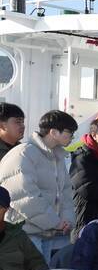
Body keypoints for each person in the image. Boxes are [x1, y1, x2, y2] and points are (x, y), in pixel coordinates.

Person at [0, 109, 77, 260]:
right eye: (69, 132)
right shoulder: (24, 154)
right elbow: (25, 197)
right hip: (25, 232)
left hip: (49, 232)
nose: (72, 137)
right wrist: (55, 222)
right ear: (53, 132)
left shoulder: (58, 157)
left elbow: (66, 193)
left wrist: (67, 220)